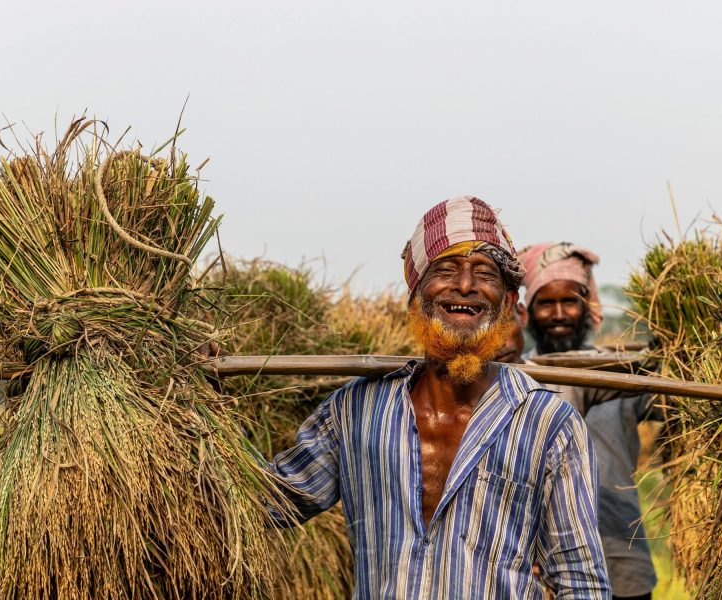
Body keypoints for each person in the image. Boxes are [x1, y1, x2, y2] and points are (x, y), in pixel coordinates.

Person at [272, 198, 611, 599]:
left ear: (506, 303)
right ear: (416, 294)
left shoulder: (548, 422)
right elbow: (269, 503)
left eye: (484, 272)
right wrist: (194, 399)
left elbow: (581, 581)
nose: (464, 285)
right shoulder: (354, 412)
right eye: (446, 269)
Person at [518, 242, 659, 600]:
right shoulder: (518, 377)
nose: (560, 313)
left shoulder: (624, 376)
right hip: (542, 562)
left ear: (587, 306)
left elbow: (673, 406)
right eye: (546, 303)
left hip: (620, 549)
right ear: (528, 312)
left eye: (570, 302)